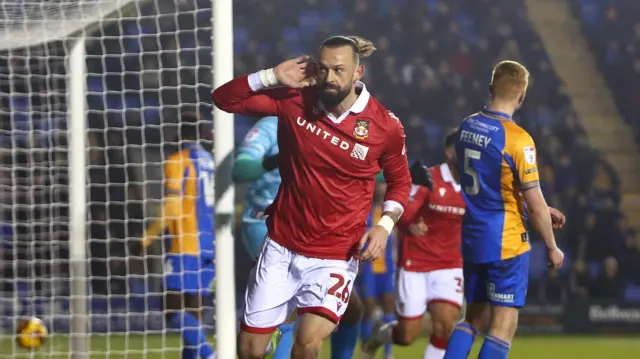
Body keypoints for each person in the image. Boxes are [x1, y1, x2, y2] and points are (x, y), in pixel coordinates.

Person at [212, 35, 412, 359]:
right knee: (248, 350)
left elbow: (400, 182)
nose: (329, 78)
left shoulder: (384, 126)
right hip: (281, 246)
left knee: (306, 344)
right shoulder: (295, 100)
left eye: (338, 70)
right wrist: (270, 77)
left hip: (335, 255)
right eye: (323, 69)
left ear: (358, 73)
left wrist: (384, 226)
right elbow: (224, 99)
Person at [444, 61, 566, 359]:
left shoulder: (467, 126)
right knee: (502, 326)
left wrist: (529, 202)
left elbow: (482, 181)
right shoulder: (518, 140)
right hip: (506, 242)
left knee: (472, 319)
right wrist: (552, 246)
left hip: (473, 238)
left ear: (490, 89)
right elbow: (534, 205)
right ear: (522, 96)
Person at [233, 116, 367, 359]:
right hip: (265, 222)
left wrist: (401, 173)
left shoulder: (331, 128)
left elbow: (363, 167)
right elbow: (241, 169)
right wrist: (282, 156)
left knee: (353, 311)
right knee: (292, 308)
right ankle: (273, 334)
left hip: (314, 232)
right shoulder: (272, 125)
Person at [363, 129, 465, 359]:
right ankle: (378, 338)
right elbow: (403, 211)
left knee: (445, 326)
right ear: (450, 153)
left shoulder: (474, 184)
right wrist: (409, 224)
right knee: (407, 336)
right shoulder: (430, 178)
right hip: (415, 264)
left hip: (449, 265)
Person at [135, 111, 215, 359]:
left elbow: (172, 206)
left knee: (170, 309)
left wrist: (147, 237)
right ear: (202, 133)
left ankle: (211, 355)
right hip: (209, 245)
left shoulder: (178, 160)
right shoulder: (209, 160)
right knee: (194, 314)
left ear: (177, 133)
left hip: (185, 244)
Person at [358, 184, 397, 359]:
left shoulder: (391, 212)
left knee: (389, 306)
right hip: (369, 269)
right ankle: (366, 348)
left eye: (384, 185)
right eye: (378, 185)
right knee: (369, 307)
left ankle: (388, 353)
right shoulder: (363, 210)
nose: (381, 188)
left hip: (387, 268)